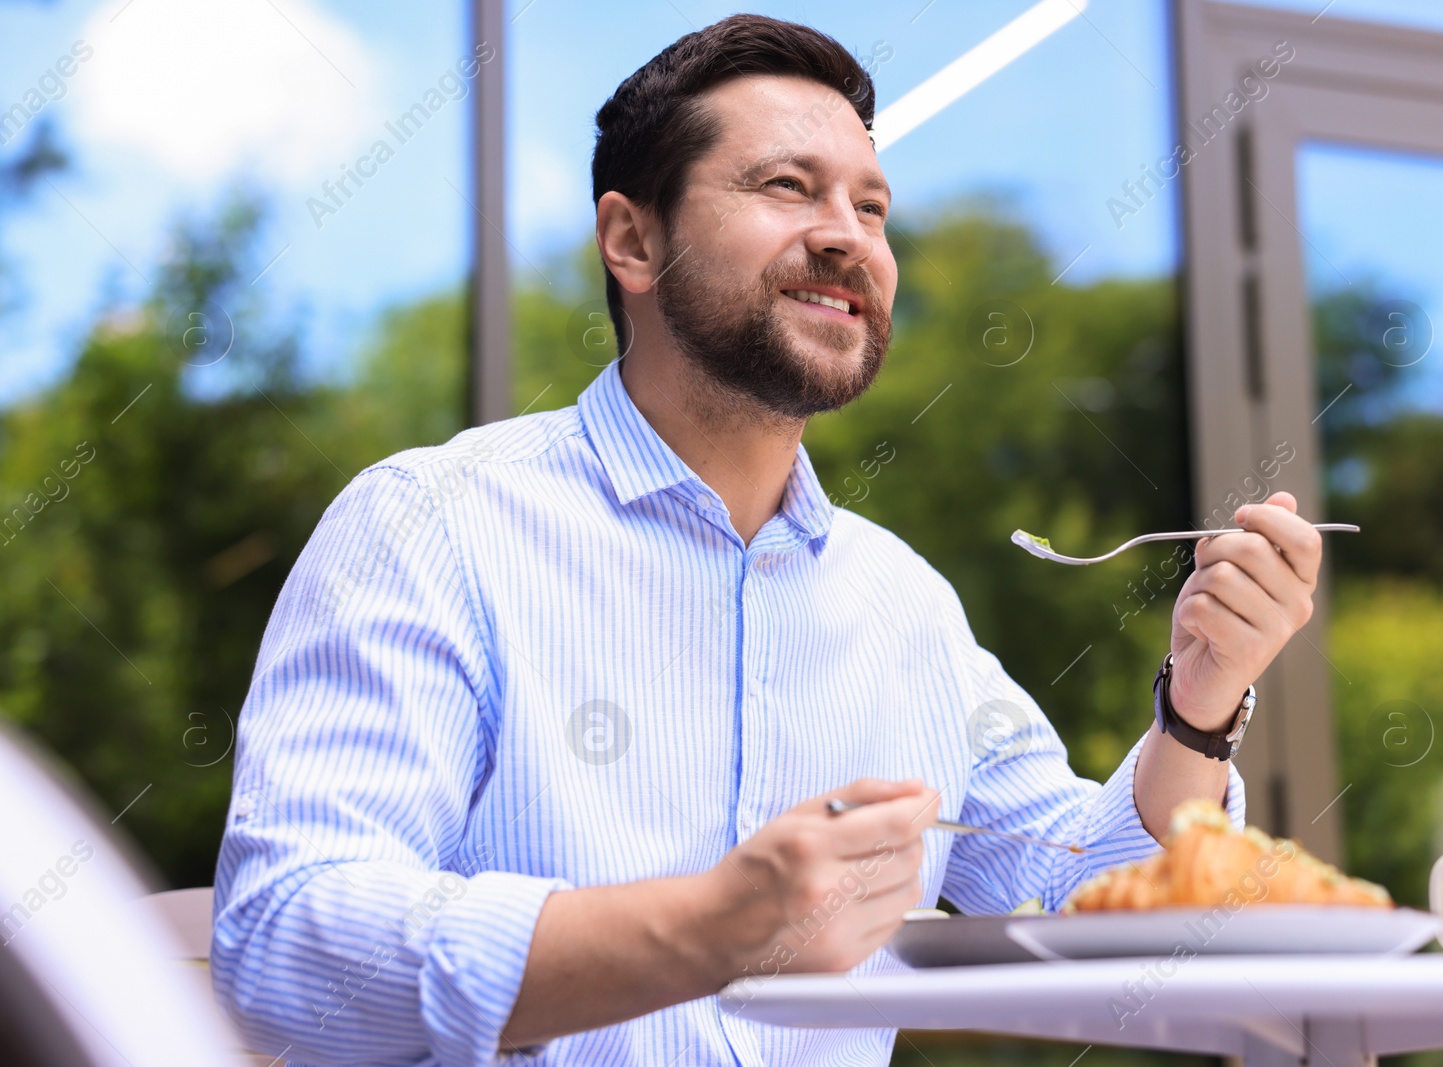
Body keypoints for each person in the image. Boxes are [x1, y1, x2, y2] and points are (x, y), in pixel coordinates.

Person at [211, 14, 1323, 1067]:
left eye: (873, 207)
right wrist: (709, 924)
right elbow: (285, 941)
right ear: (632, 239)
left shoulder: (903, 603)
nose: (846, 234)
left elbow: (1071, 891)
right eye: (787, 186)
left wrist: (1201, 696)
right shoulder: (431, 525)